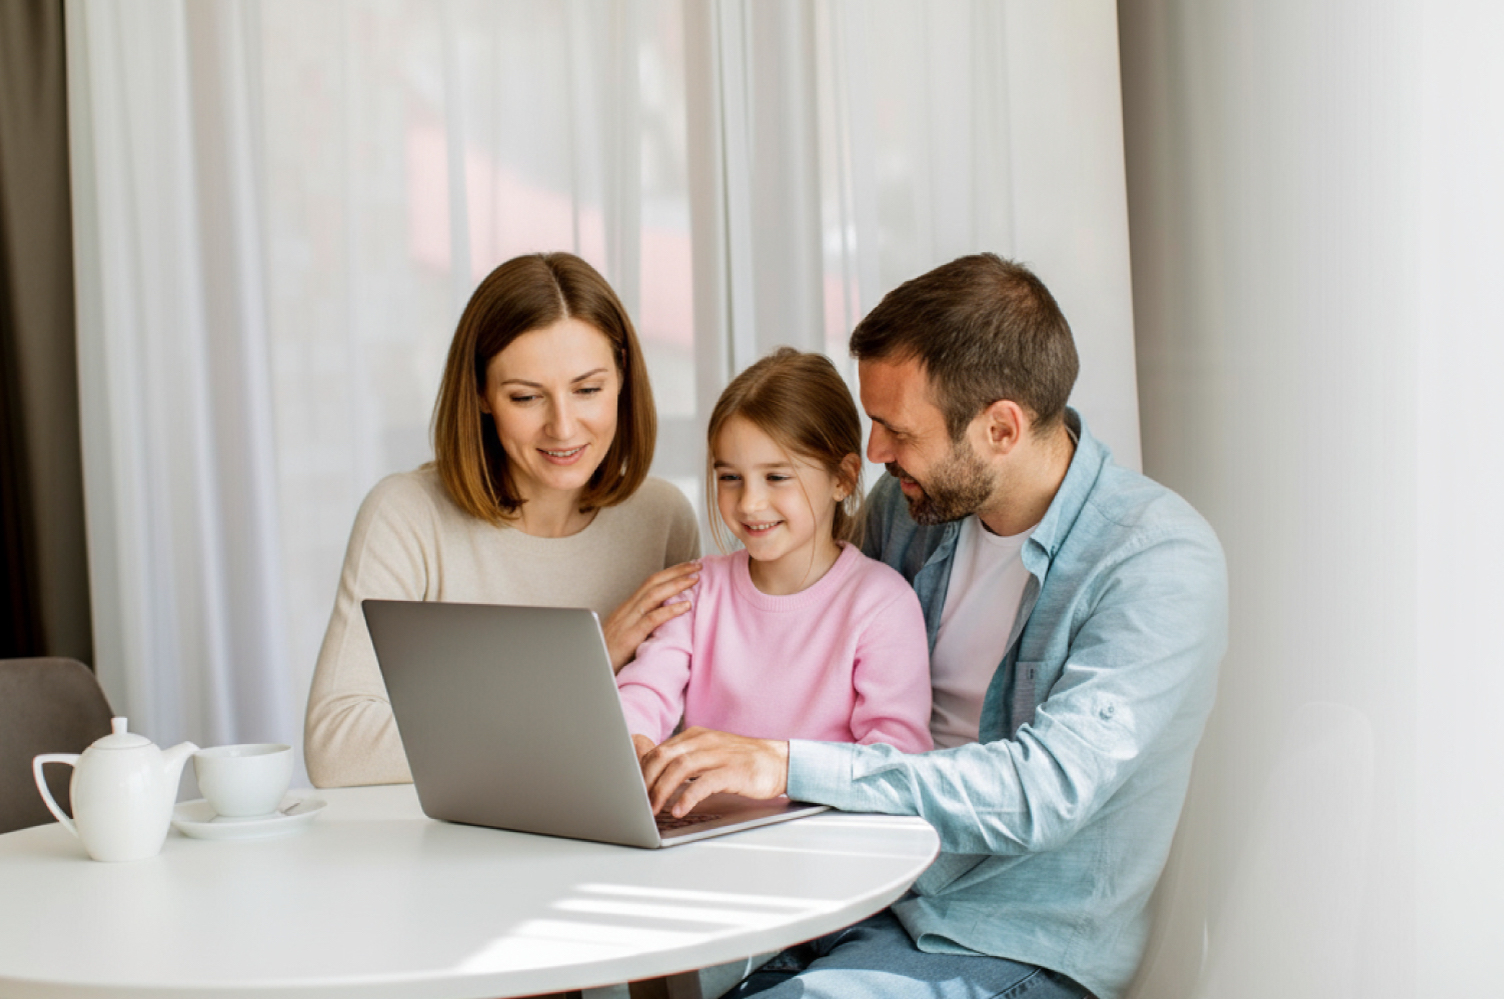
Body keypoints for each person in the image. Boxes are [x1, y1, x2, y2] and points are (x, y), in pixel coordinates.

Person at [636, 254, 1228, 999]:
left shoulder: (1154, 560)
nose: (875, 452)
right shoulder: (911, 508)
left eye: (895, 429)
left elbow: (1043, 791)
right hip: (857, 899)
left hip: (1010, 935)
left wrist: (785, 763)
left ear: (1001, 428)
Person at [305, 252, 701, 788]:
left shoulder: (661, 517)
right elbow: (338, 749)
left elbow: (676, 731)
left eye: (588, 389)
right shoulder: (406, 516)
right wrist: (580, 673)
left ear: (623, 379)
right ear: (481, 394)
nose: (563, 427)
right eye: (526, 397)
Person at [616, 348, 932, 763]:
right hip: (707, 822)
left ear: (843, 478)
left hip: (827, 827)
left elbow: (897, 759)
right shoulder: (695, 591)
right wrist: (634, 744)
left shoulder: (881, 604)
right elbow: (644, 692)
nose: (749, 503)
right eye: (730, 477)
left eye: (776, 477)